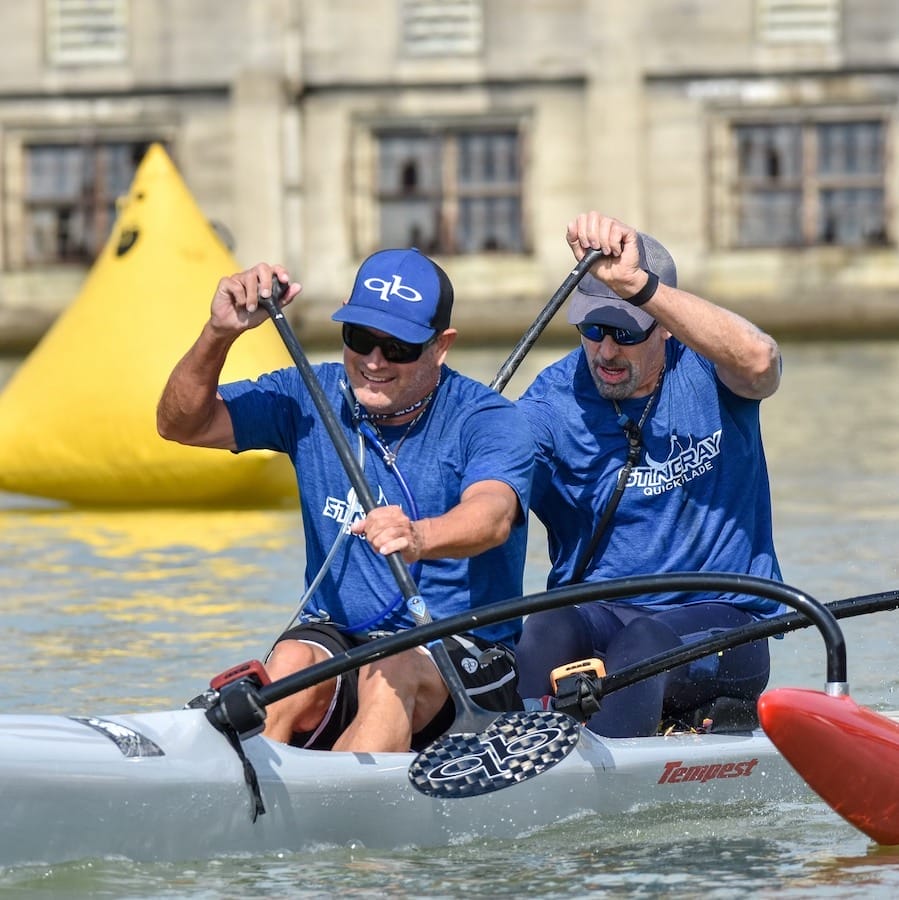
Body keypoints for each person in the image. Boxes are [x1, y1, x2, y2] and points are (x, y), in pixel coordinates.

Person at [157, 248, 533, 753]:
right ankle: (242, 788)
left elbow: (493, 516)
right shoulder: (308, 395)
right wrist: (218, 334)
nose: (374, 361)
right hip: (339, 634)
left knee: (391, 671)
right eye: (359, 337)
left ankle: (333, 801)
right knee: (289, 664)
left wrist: (419, 536)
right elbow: (180, 425)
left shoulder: (487, 419)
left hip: (463, 649)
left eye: (398, 347)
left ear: (441, 347)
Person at [515, 211, 783, 737]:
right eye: (593, 330)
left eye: (625, 332)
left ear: (663, 325)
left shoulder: (707, 369)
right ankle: (511, 758)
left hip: (723, 619)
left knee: (642, 645)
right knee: (545, 627)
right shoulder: (550, 402)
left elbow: (760, 362)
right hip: (600, 616)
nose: (606, 351)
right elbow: (491, 492)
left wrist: (638, 285)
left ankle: (606, 779)